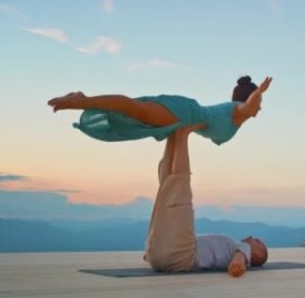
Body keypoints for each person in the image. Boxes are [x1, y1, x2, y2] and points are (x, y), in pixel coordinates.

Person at [144, 125, 268, 277]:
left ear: (256, 254)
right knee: (167, 186)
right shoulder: (235, 246)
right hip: (160, 256)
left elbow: (239, 258)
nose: (250, 237)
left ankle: (183, 132)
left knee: (179, 189)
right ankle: (174, 134)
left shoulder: (243, 248)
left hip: (180, 255)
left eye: (256, 240)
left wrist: (238, 264)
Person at [47, 76, 272, 145]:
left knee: (132, 116)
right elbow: (250, 104)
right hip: (185, 113)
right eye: (259, 103)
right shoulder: (237, 111)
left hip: (179, 123)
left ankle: (84, 101)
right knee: (135, 110)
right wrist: (260, 91)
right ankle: (83, 100)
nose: (259, 108)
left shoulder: (236, 119)